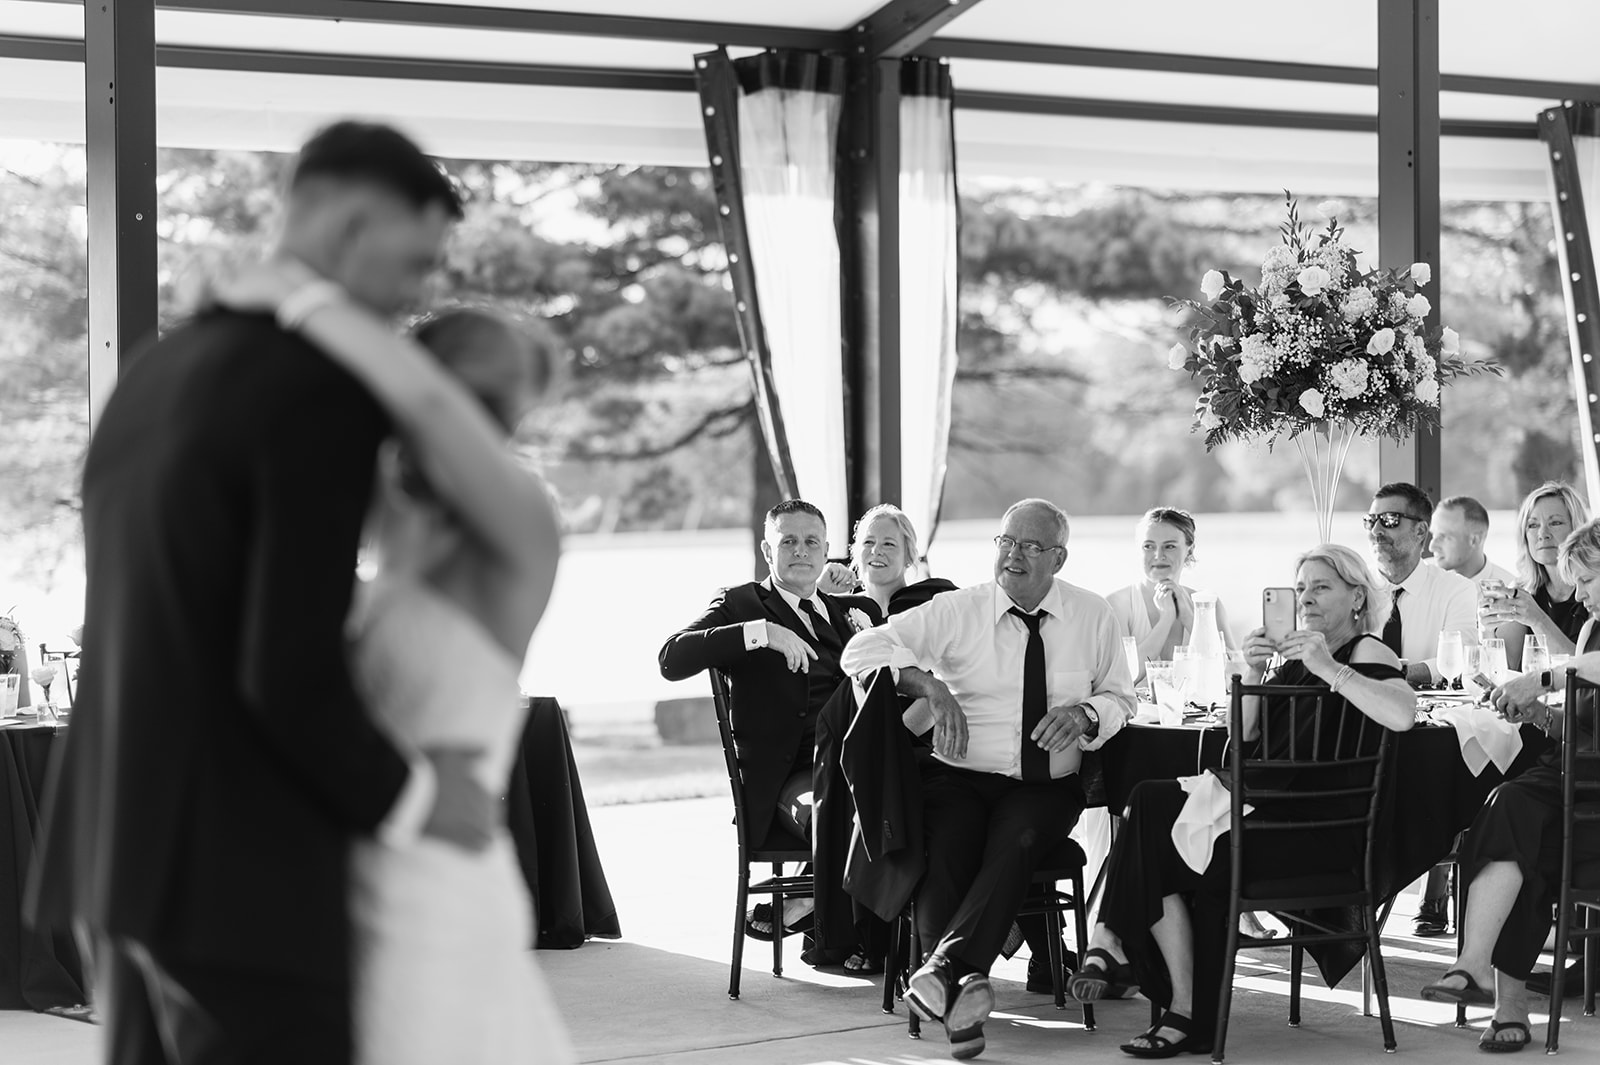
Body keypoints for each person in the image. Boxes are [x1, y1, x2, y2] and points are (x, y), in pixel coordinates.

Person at [48, 122, 500, 1065]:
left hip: (114, 851)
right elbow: (284, 666)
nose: (418, 292)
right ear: (351, 224)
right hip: (238, 874)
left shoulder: (153, 370)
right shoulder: (314, 389)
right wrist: (417, 797)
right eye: (416, 261)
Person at [1073, 544, 1414, 1058]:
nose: (1306, 599)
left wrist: (1327, 667)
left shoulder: (1367, 651)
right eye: (1301, 588)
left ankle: (1136, 966)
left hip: (1318, 832)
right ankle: (1158, 986)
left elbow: (1403, 714)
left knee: (1164, 843)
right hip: (1264, 813)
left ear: (1358, 598)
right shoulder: (1295, 659)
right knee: (1149, 807)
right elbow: (1244, 741)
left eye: (1321, 587)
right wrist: (1253, 675)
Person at [841, 498, 1134, 1060]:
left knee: (1017, 839)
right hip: (959, 777)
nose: (1013, 555)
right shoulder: (958, 610)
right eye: (1006, 542)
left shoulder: (1093, 615)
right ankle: (961, 1002)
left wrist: (1086, 714)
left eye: (1030, 546)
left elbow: (1122, 698)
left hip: (1045, 785)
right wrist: (928, 685)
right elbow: (861, 650)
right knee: (946, 850)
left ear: (1059, 558)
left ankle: (942, 972)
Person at [659, 499, 883, 939]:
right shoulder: (741, 603)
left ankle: (826, 913)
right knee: (851, 815)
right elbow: (672, 657)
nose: (801, 551)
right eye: (788, 542)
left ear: (826, 551)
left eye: (812, 542)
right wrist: (762, 633)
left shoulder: (851, 612)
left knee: (940, 802)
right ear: (767, 551)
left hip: (860, 765)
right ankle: (853, 936)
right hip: (793, 779)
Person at [1419, 516, 1600, 1052]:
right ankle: (1480, 973)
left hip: (1594, 795)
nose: (1581, 594)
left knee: (1522, 822)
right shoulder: (1590, 630)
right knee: (1511, 809)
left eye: (1587, 580)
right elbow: (1581, 728)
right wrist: (1539, 714)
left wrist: (1540, 679)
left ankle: (1500, 997)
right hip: (1574, 777)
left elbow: (1585, 671)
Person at [1365, 481, 1477, 689]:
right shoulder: (1352, 587)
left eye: (1390, 520)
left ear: (1420, 531)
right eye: (1370, 521)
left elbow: (1460, 658)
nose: (1376, 530)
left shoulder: (1456, 590)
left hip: (1429, 708)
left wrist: (1390, 676)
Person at [1107, 507, 1238, 673]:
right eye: (1148, 546)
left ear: (1189, 550)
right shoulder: (1117, 605)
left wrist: (1188, 617)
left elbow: (1233, 673)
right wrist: (1166, 618)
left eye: (1169, 546)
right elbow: (1122, 676)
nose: (1158, 555)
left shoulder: (1210, 605)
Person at [1483, 481, 1590, 671]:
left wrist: (1537, 619)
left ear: (1577, 530)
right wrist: (1487, 630)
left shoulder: (1593, 591)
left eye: (1555, 523)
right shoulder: (1522, 590)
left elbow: (1587, 672)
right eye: (1532, 525)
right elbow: (1505, 669)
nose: (1542, 534)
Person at [1431, 496, 1518, 588]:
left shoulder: (1509, 590)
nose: (1432, 547)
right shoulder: (1423, 577)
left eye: (1443, 537)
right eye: (1433, 535)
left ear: (1474, 540)